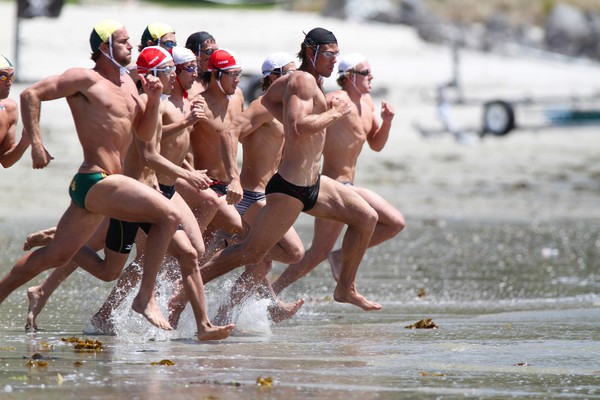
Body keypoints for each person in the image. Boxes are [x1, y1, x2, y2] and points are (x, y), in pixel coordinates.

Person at [0, 20, 187, 331]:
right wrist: (35, 143)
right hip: (95, 178)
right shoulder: (84, 79)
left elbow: (142, 134)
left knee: (68, 259)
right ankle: (145, 299)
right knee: (168, 215)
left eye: (129, 41)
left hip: (109, 187)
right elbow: (31, 94)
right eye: (124, 41)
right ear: (104, 48)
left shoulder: (129, 85)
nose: (131, 46)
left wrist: (153, 100)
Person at [200, 28, 382, 311]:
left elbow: (281, 113)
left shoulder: (301, 89)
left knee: (365, 218)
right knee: (254, 253)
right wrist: (334, 114)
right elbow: (292, 128)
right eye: (331, 54)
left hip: (310, 184)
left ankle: (345, 288)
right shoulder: (300, 83)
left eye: (337, 54)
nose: (335, 60)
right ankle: (189, 287)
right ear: (312, 52)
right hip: (281, 189)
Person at [271, 53, 405, 294]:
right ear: (349, 76)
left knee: (390, 225)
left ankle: (337, 257)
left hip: (349, 185)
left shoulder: (367, 103)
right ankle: (272, 291)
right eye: (365, 73)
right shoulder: (334, 100)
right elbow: (301, 123)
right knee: (319, 252)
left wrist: (386, 122)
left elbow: (376, 144)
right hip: (332, 185)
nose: (371, 76)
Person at [207, 52, 306, 324]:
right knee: (293, 252)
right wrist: (233, 178)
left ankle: (224, 315)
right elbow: (228, 133)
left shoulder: (286, 111)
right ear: (273, 77)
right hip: (250, 195)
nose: (296, 79)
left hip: (270, 196)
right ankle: (233, 241)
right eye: (290, 73)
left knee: (261, 263)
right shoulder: (262, 107)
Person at [0, 54, 30, 168]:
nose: (9, 82)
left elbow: (5, 161)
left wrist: (25, 142)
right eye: (3, 77)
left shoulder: (9, 109)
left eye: (11, 76)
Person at [185, 31, 218, 98]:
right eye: (209, 51)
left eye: (216, 51)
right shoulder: (184, 83)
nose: (214, 56)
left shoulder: (218, 80)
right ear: (193, 53)